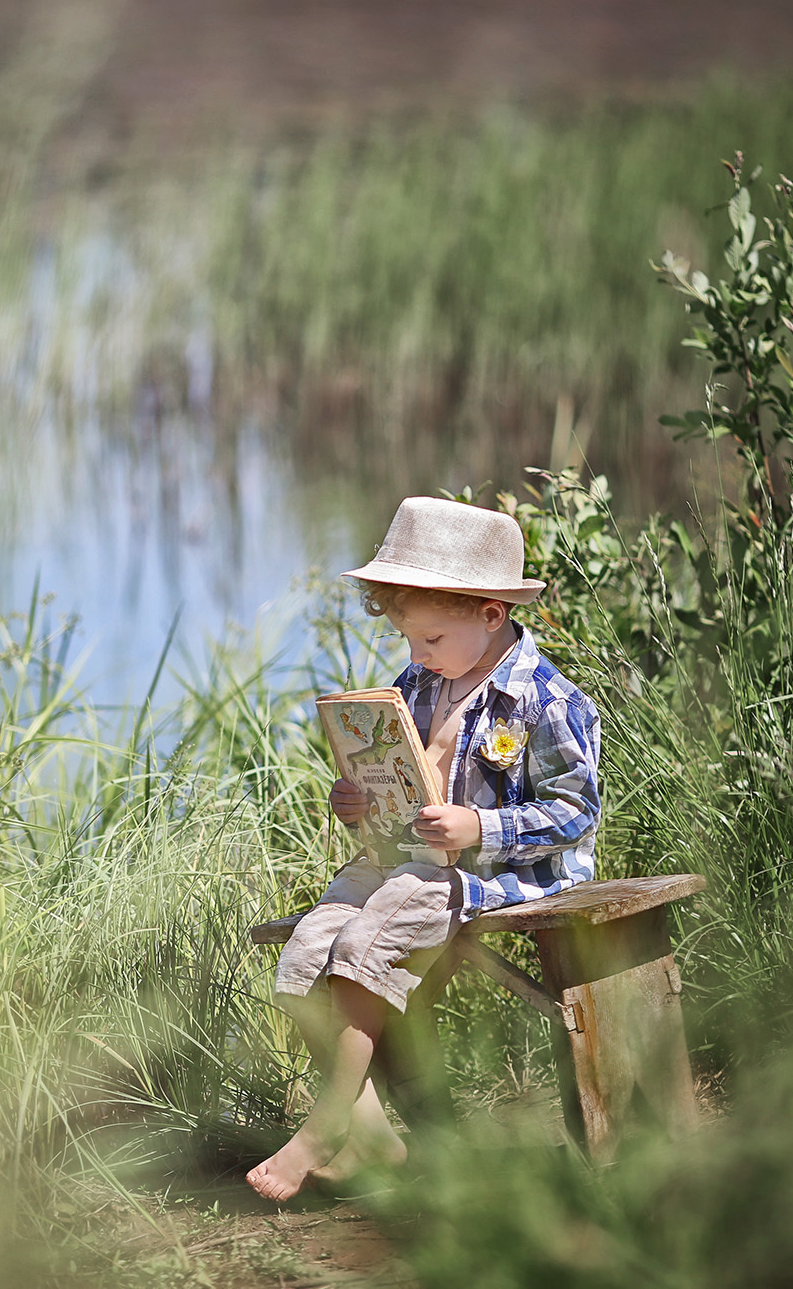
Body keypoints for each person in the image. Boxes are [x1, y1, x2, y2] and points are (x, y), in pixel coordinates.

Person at [247, 496, 601, 1201]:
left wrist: (481, 827)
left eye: (432, 639)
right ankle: (375, 1133)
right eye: (411, 640)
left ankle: (324, 1128)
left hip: (494, 871)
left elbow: (575, 812)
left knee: (362, 951)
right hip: (400, 857)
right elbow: (399, 785)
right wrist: (354, 802)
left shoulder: (548, 700)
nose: (417, 656)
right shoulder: (419, 683)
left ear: (490, 614)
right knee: (304, 956)